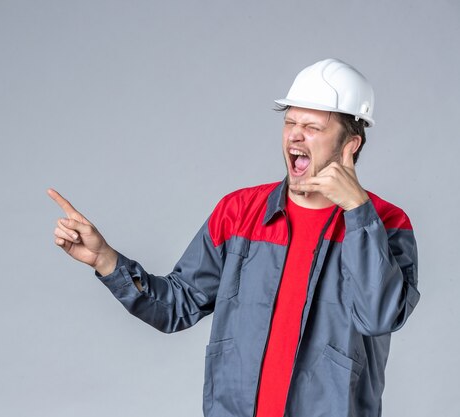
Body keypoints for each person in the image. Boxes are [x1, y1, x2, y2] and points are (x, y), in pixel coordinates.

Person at [48, 58, 419, 417]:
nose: (295, 134)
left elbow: (379, 317)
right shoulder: (239, 213)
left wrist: (358, 212)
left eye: (313, 127)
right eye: (290, 122)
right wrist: (105, 260)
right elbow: (177, 305)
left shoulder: (386, 223)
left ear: (350, 144)